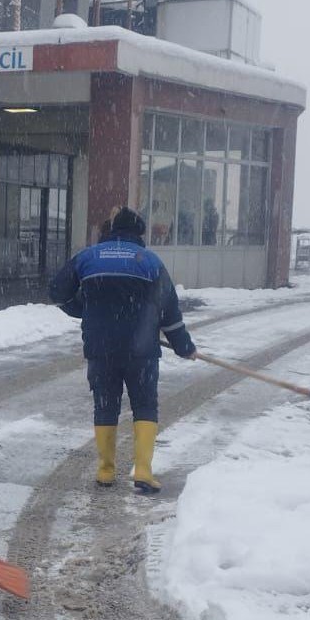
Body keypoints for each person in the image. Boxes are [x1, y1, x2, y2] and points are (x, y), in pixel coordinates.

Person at [48, 205, 196, 494]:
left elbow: (57, 291)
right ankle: (142, 470)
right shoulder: (149, 261)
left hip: (100, 348)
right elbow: (170, 313)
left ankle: (105, 471)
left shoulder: (88, 257)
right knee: (144, 405)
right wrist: (184, 346)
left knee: (105, 406)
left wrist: (86, 309)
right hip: (141, 351)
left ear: (112, 232)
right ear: (138, 234)